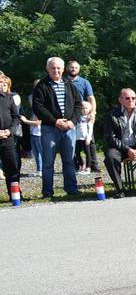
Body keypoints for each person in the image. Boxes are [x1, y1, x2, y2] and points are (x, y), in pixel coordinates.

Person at [33, 57, 83, 198]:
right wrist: (55, 122)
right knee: (48, 163)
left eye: (58, 68)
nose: (56, 70)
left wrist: (73, 122)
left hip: (69, 128)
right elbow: (38, 107)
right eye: (53, 68)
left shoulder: (69, 84)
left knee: (69, 161)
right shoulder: (42, 85)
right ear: (47, 69)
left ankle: (71, 189)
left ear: (63, 69)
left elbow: (78, 104)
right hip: (50, 129)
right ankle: (47, 192)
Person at [64, 60, 99, 173]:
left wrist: (93, 112)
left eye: (76, 67)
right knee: (71, 141)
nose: (73, 69)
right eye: (71, 67)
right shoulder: (62, 81)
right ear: (67, 68)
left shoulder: (84, 82)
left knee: (90, 141)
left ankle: (93, 165)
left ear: (79, 70)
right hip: (69, 115)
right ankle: (76, 165)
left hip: (84, 115)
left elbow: (91, 98)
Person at [0, 72, 21, 200]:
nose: (1, 84)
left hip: (8, 138)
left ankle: (15, 195)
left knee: (12, 167)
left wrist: (10, 131)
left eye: (2, 82)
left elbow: (16, 117)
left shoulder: (9, 98)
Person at [74, 101, 98, 175]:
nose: (84, 110)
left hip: (86, 138)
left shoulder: (89, 118)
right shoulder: (77, 117)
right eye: (82, 108)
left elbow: (90, 129)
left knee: (87, 153)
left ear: (89, 109)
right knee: (77, 153)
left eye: (86, 108)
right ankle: (82, 165)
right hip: (78, 138)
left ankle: (88, 168)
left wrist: (88, 137)